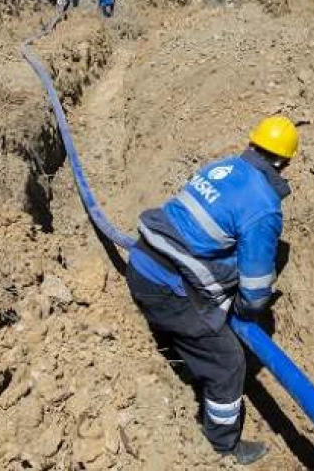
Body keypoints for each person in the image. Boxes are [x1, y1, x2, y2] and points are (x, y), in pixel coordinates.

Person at [124, 115, 298, 466]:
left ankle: (185, 354)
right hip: (167, 289)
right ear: (286, 161)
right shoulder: (264, 205)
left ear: (253, 144)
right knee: (228, 362)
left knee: (199, 329)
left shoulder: (226, 167)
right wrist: (248, 312)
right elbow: (255, 288)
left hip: (141, 260)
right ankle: (222, 445)